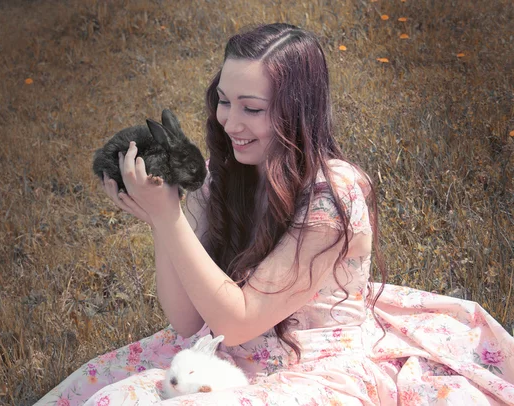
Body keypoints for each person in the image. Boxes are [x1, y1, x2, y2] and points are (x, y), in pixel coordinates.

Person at [34, 23, 514, 405]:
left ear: (295, 111)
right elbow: (185, 321)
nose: (231, 123)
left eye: (252, 108)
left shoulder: (334, 195)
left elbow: (241, 319)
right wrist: (166, 219)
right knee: (117, 398)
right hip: (226, 351)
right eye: (224, 101)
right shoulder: (223, 174)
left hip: (317, 363)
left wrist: (169, 219)